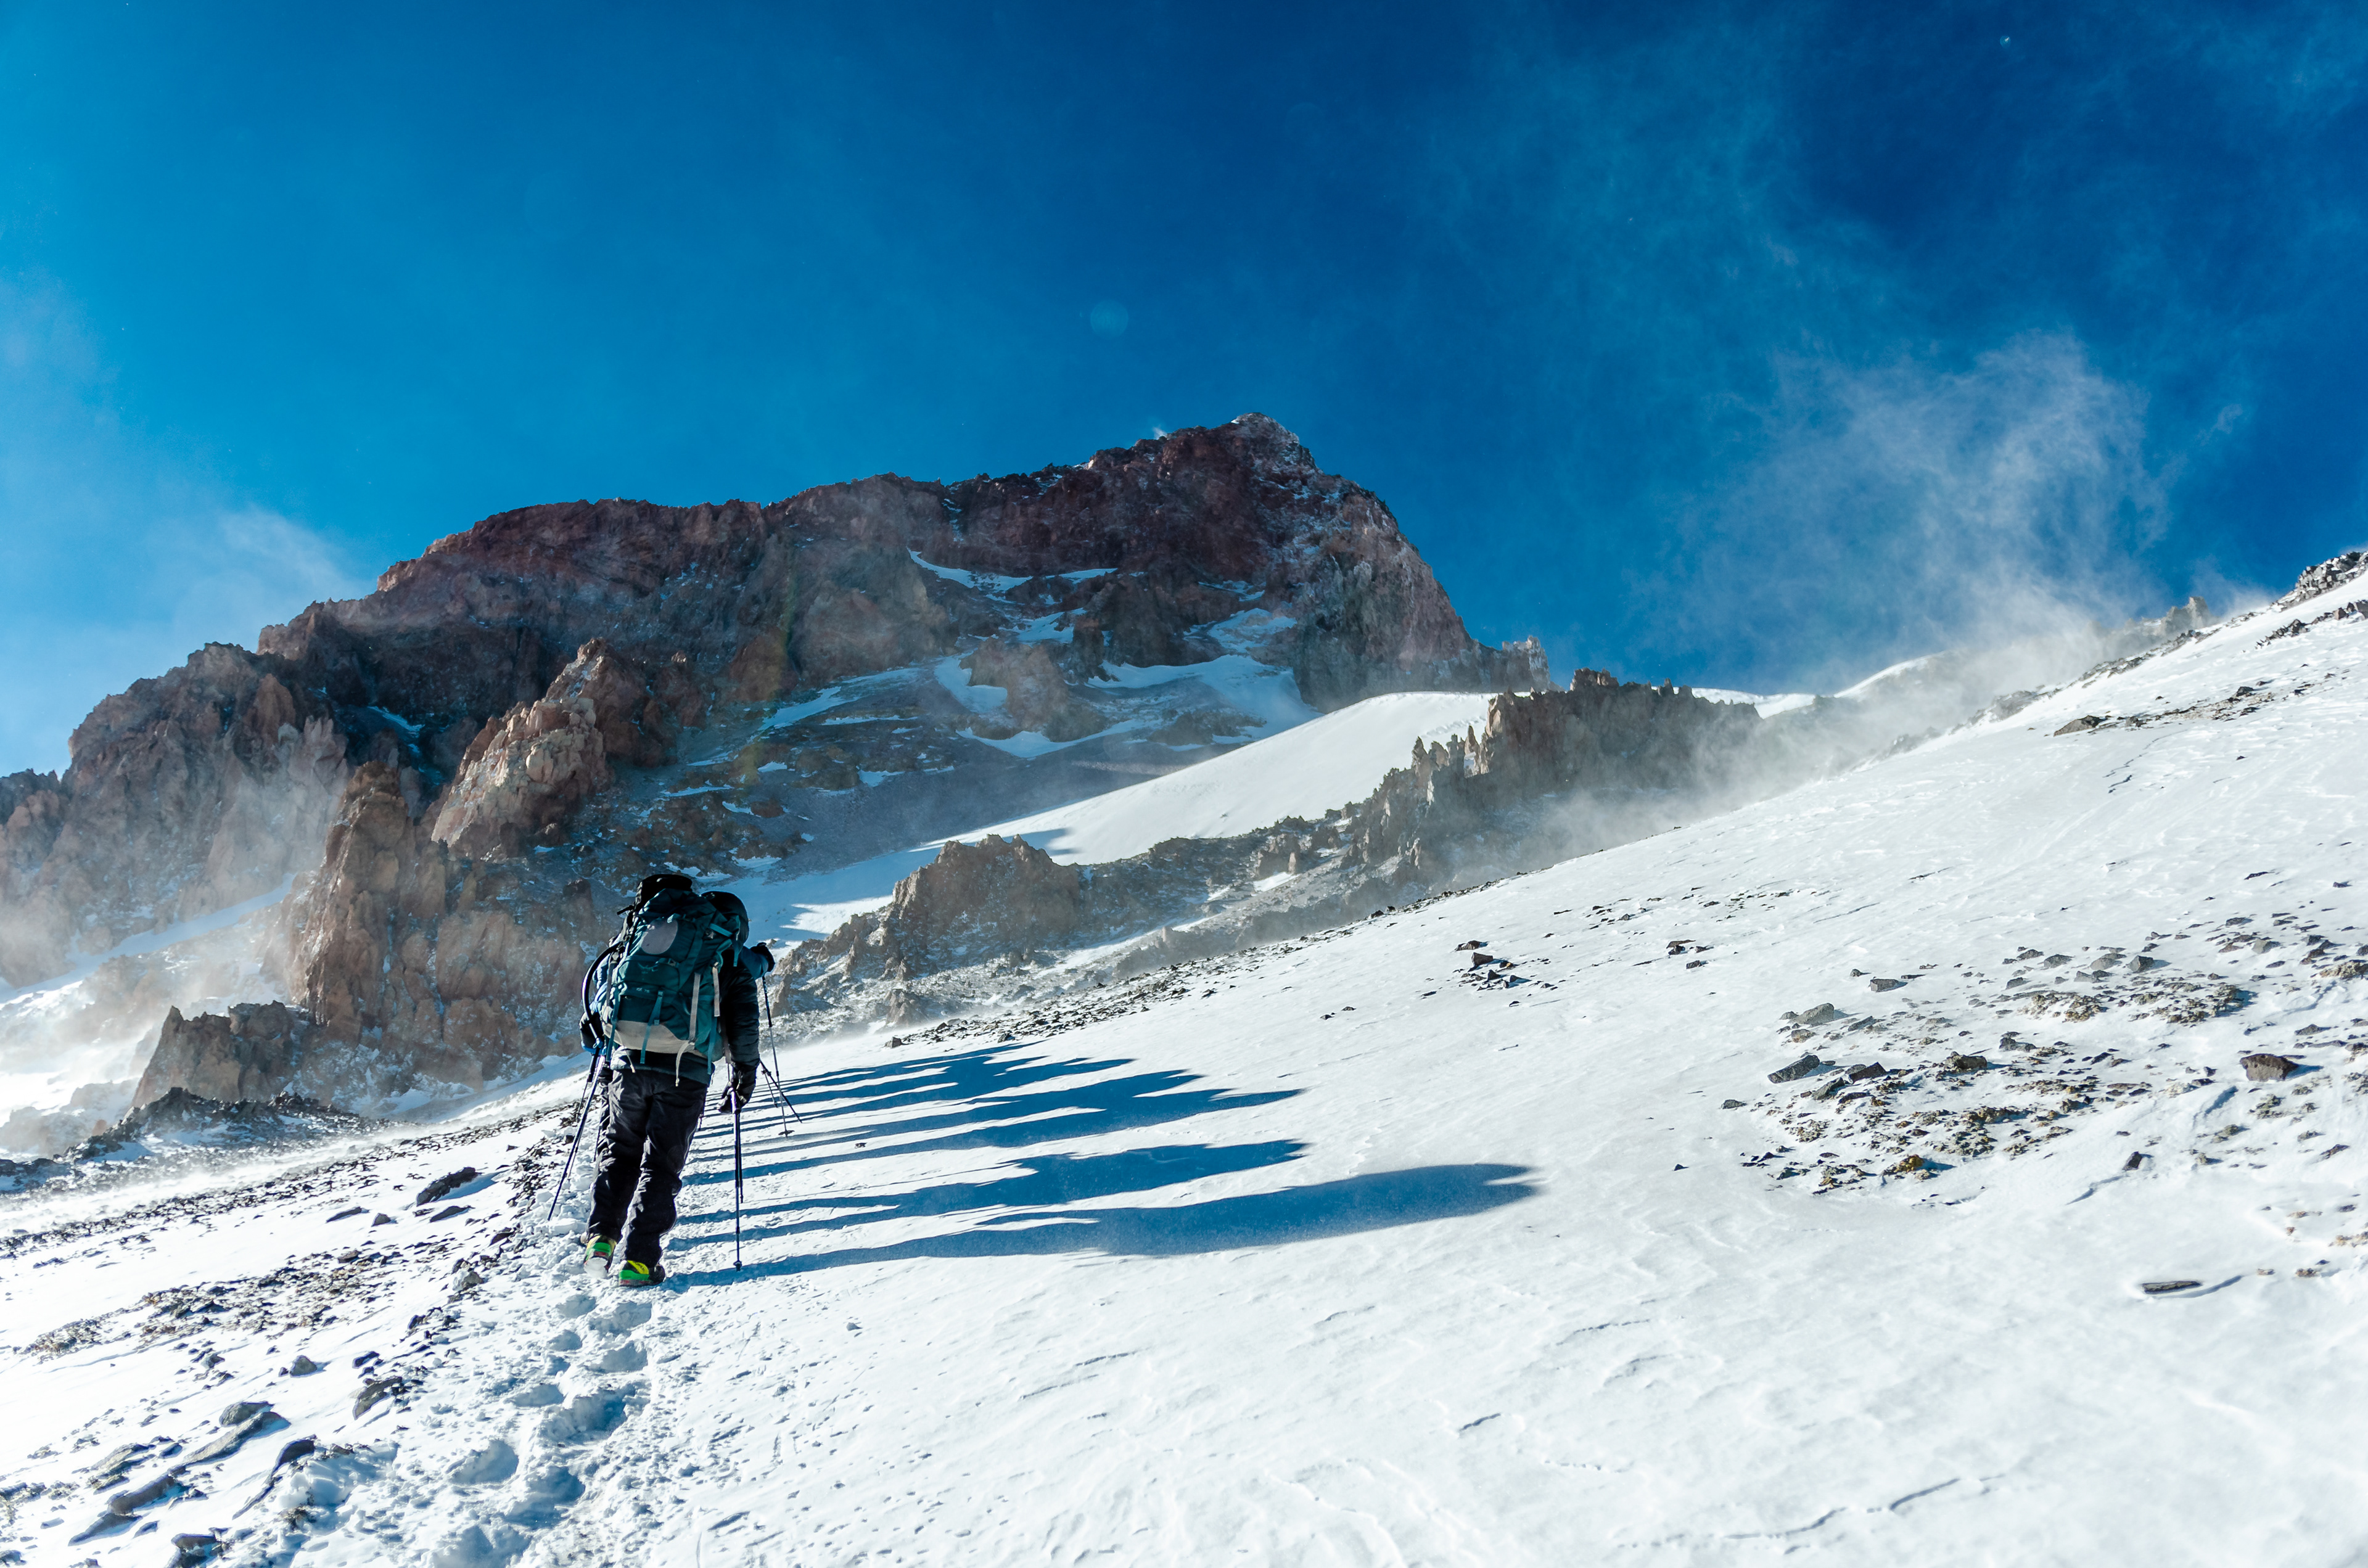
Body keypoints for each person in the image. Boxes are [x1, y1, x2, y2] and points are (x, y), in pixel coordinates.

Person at [583, 886, 765, 1286]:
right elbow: (744, 1025)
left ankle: (600, 1241)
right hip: (685, 1072)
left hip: (628, 1063)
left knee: (620, 1152)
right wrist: (744, 1074)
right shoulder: (726, 953)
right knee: (661, 1166)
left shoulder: (648, 939)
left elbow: (603, 990)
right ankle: (639, 1261)